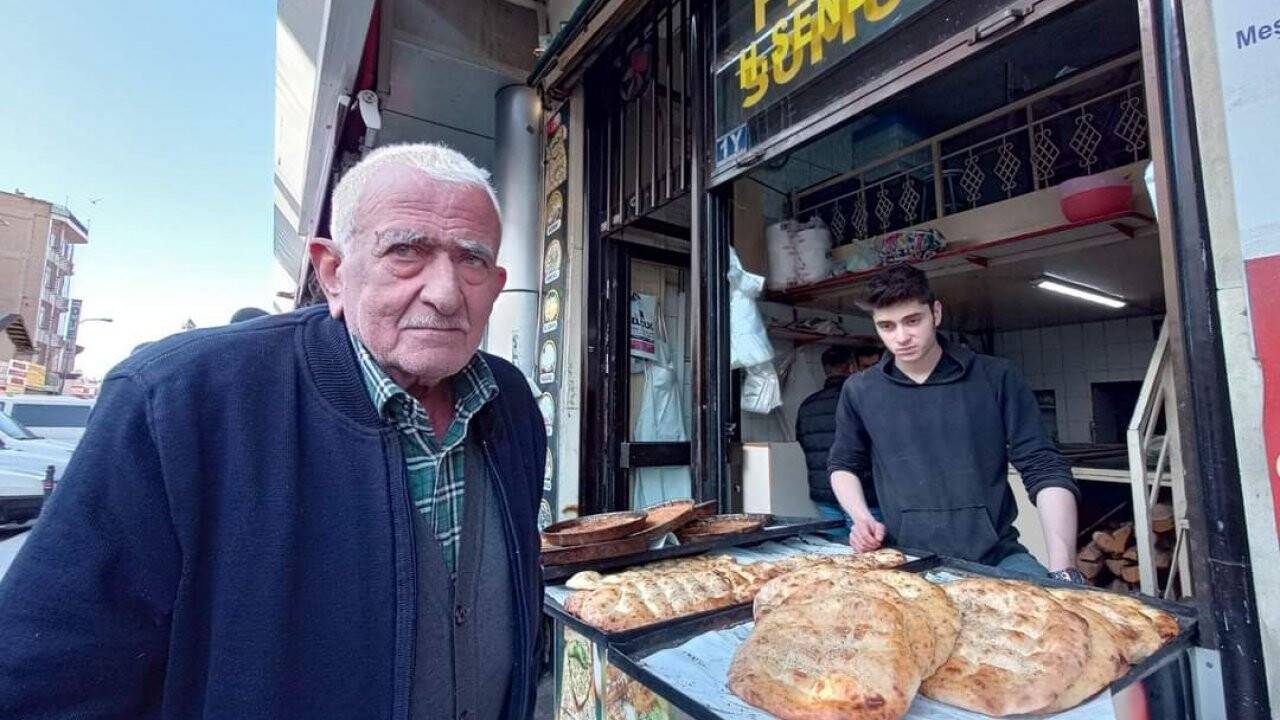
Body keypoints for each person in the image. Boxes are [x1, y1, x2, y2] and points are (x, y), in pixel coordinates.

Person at [0, 143, 547, 718]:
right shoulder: (180, 401)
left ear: (497, 282)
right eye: (406, 251)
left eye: (472, 259)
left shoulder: (510, 402)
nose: (444, 292)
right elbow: (48, 687)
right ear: (332, 271)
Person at [827, 264, 1083, 582]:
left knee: (1055, 617)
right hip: (907, 560)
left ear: (936, 313)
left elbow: (1043, 466)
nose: (901, 337)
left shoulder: (996, 377)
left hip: (996, 556)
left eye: (912, 321)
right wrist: (861, 517)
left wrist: (1064, 568)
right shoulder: (860, 390)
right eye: (887, 326)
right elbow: (843, 464)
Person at [795, 346, 881, 537]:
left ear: (825, 369)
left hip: (823, 491)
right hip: (864, 492)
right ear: (851, 367)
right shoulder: (863, 399)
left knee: (837, 554)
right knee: (872, 552)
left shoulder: (807, 404)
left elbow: (802, 441)